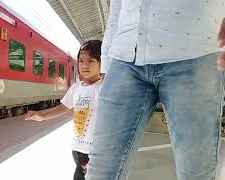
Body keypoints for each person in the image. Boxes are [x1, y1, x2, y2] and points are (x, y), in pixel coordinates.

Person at [85, 0, 225, 180]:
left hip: (196, 49)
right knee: (100, 172)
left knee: (196, 172)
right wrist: (106, 63)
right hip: (125, 55)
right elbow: (117, 7)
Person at [25, 40, 103, 180]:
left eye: (91, 61)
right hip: (78, 149)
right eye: (81, 61)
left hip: (96, 150)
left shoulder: (103, 88)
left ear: (102, 63)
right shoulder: (76, 88)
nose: (85, 65)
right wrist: (41, 116)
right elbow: (63, 107)